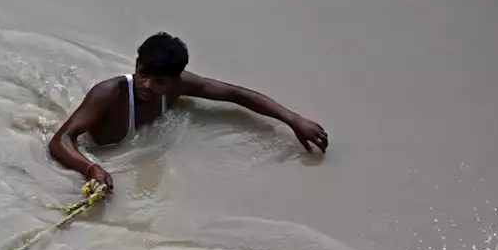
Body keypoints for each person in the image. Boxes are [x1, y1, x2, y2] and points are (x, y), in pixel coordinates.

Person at [48, 32, 329, 191]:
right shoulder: (109, 93)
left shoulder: (180, 87)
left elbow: (237, 95)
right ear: (136, 64)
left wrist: (292, 119)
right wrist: (90, 168)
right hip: (96, 152)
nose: (146, 85)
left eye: (159, 81)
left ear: (175, 80)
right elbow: (60, 140)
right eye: (143, 74)